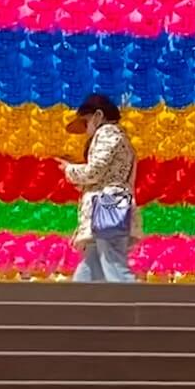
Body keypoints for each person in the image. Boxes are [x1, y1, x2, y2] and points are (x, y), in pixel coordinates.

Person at [60, 94, 140, 283]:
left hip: (109, 201)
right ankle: (78, 306)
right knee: (92, 262)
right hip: (109, 201)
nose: (87, 130)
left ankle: (137, 306)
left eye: (86, 122)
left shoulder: (108, 133)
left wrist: (69, 169)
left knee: (113, 263)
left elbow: (96, 170)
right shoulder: (119, 136)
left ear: (98, 115)